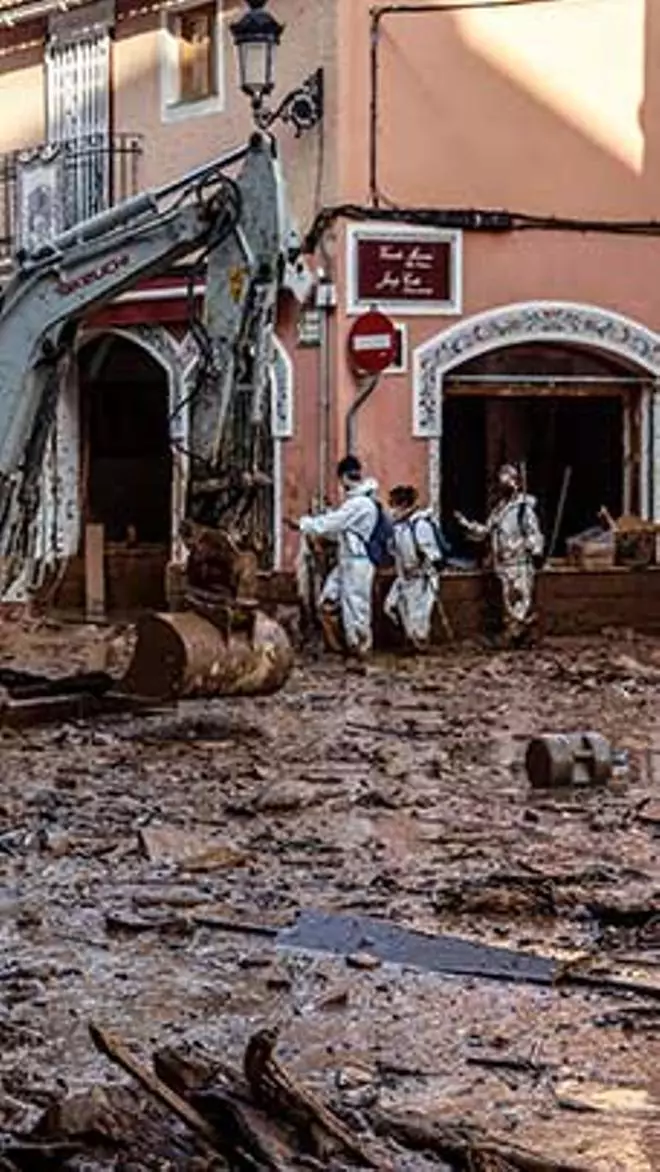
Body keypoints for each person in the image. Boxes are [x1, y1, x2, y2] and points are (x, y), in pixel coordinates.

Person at [297, 456, 380, 665]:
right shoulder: (355, 502)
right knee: (327, 601)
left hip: (359, 561)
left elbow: (333, 523)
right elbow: (341, 529)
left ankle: (360, 649)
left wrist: (306, 524)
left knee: (356, 607)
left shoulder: (360, 503)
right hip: (346, 560)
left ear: (343, 477)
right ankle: (340, 647)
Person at [455, 463, 544, 645]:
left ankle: (517, 634)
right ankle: (515, 633)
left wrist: (530, 551)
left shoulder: (523, 509)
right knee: (508, 600)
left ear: (516, 484)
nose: (504, 486)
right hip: (503, 563)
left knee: (518, 599)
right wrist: (467, 524)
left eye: (508, 481)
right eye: (501, 481)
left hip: (519, 563)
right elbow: (487, 531)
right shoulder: (500, 508)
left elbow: (534, 535)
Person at [384, 484, 449, 650]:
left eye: (393, 506)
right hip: (404, 578)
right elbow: (393, 551)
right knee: (391, 608)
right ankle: (411, 642)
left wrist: (425, 561)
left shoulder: (420, 525)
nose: (392, 511)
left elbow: (434, 555)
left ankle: (419, 648)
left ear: (404, 506)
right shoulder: (399, 528)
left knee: (418, 619)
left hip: (422, 580)